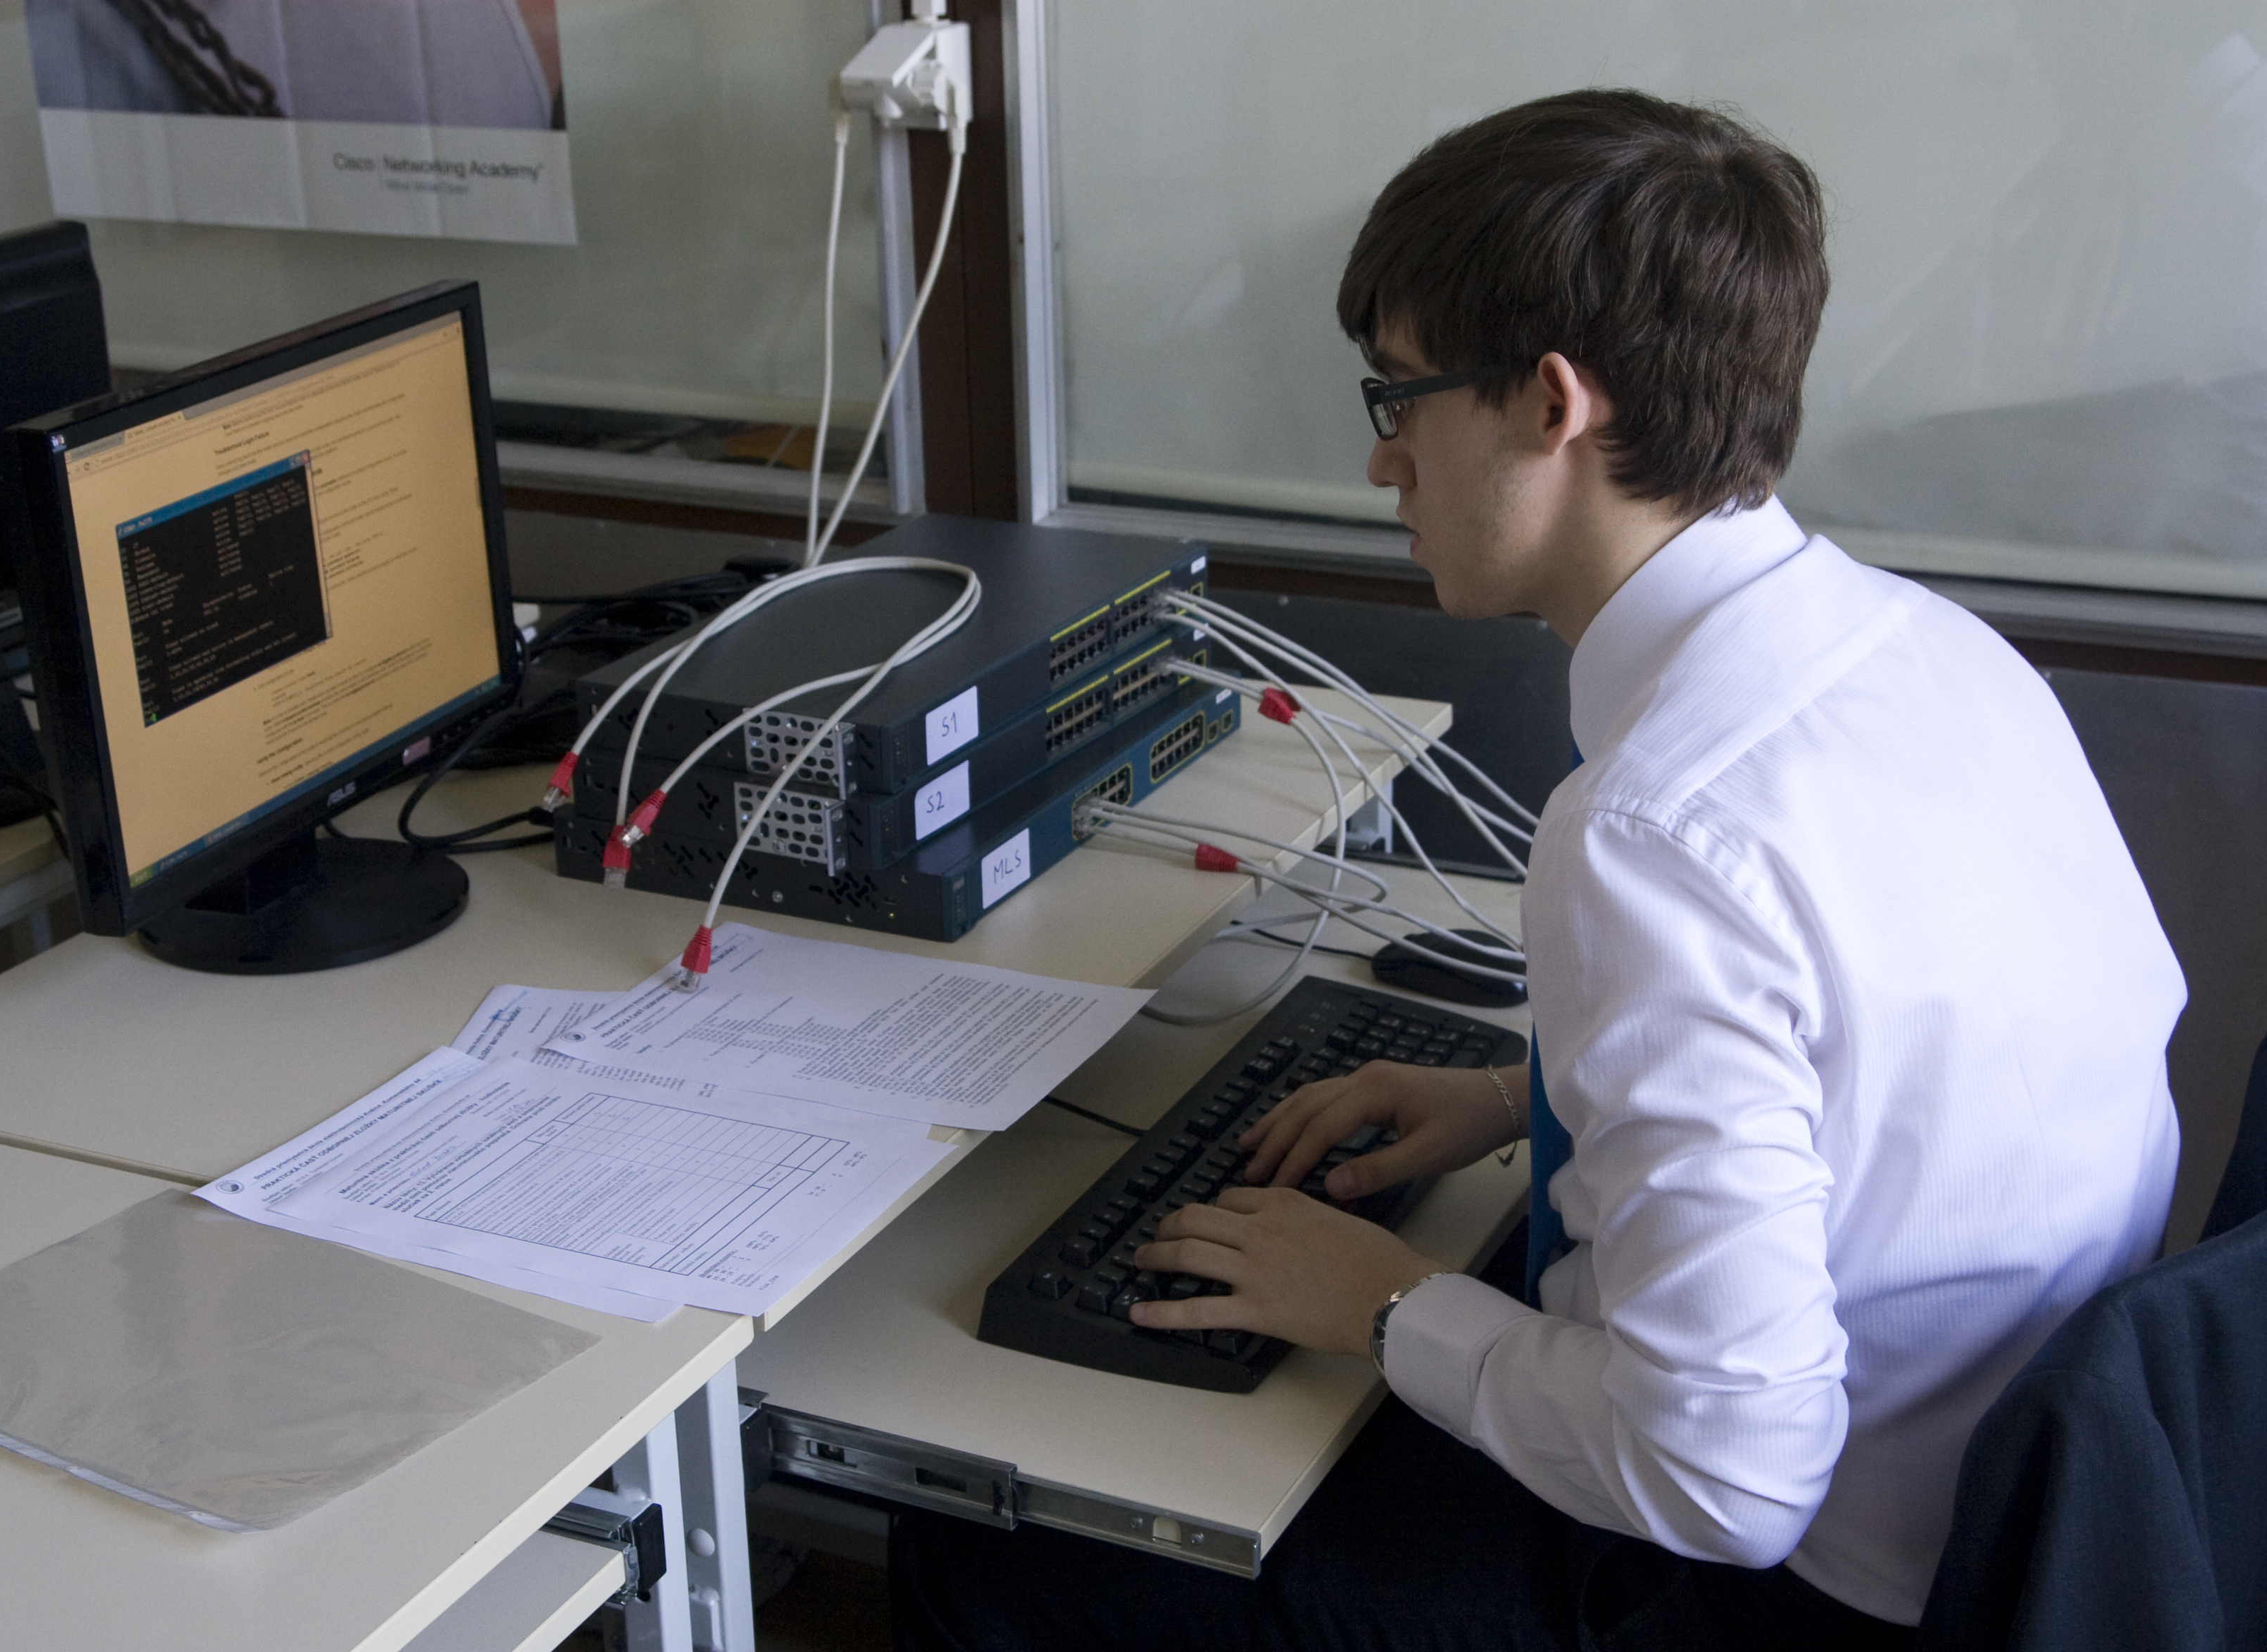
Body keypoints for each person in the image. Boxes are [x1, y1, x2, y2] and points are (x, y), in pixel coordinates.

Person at [892, 88, 2185, 1651]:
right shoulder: (1933, 649)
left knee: (989, 1537)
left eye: (1399, 396)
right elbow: (1889, 1074)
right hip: (2018, 1503)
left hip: (1798, 1593)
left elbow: (1727, 1479)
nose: (1385, 462)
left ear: (1551, 405)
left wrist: (1380, 1302)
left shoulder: (1652, 831)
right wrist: (1526, 1093)